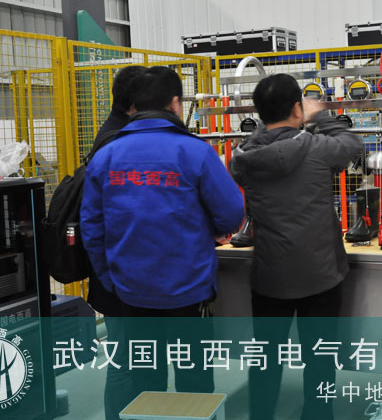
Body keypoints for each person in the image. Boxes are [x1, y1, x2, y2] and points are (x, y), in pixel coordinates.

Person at [81, 66, 245, 413]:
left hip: (131, 291)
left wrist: (110, 279)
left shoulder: (106, 156)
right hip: (189, 290)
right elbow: (232, 214)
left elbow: (92, 228)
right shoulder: (195, 152)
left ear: (135, 104)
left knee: (145, 380)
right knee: (194, 379)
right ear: (174, 103)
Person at [229, 73, 363, 420]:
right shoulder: (317, 147)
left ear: (260, 113)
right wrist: (320, 115)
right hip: (320, 275)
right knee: (320, 358)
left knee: (266, 358)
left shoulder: (242, 158)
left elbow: (262, 147)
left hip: (270, 276)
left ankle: (261, 414)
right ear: (296, 108)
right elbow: (352, 144)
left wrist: (270, 124)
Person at [87, 65, 146, 420]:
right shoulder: (115, 143)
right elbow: (104, 220)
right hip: (120, 275)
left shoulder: (115, 134)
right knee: (125, 359)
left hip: (119, 273)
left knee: (135, 357)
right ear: (136, 102)